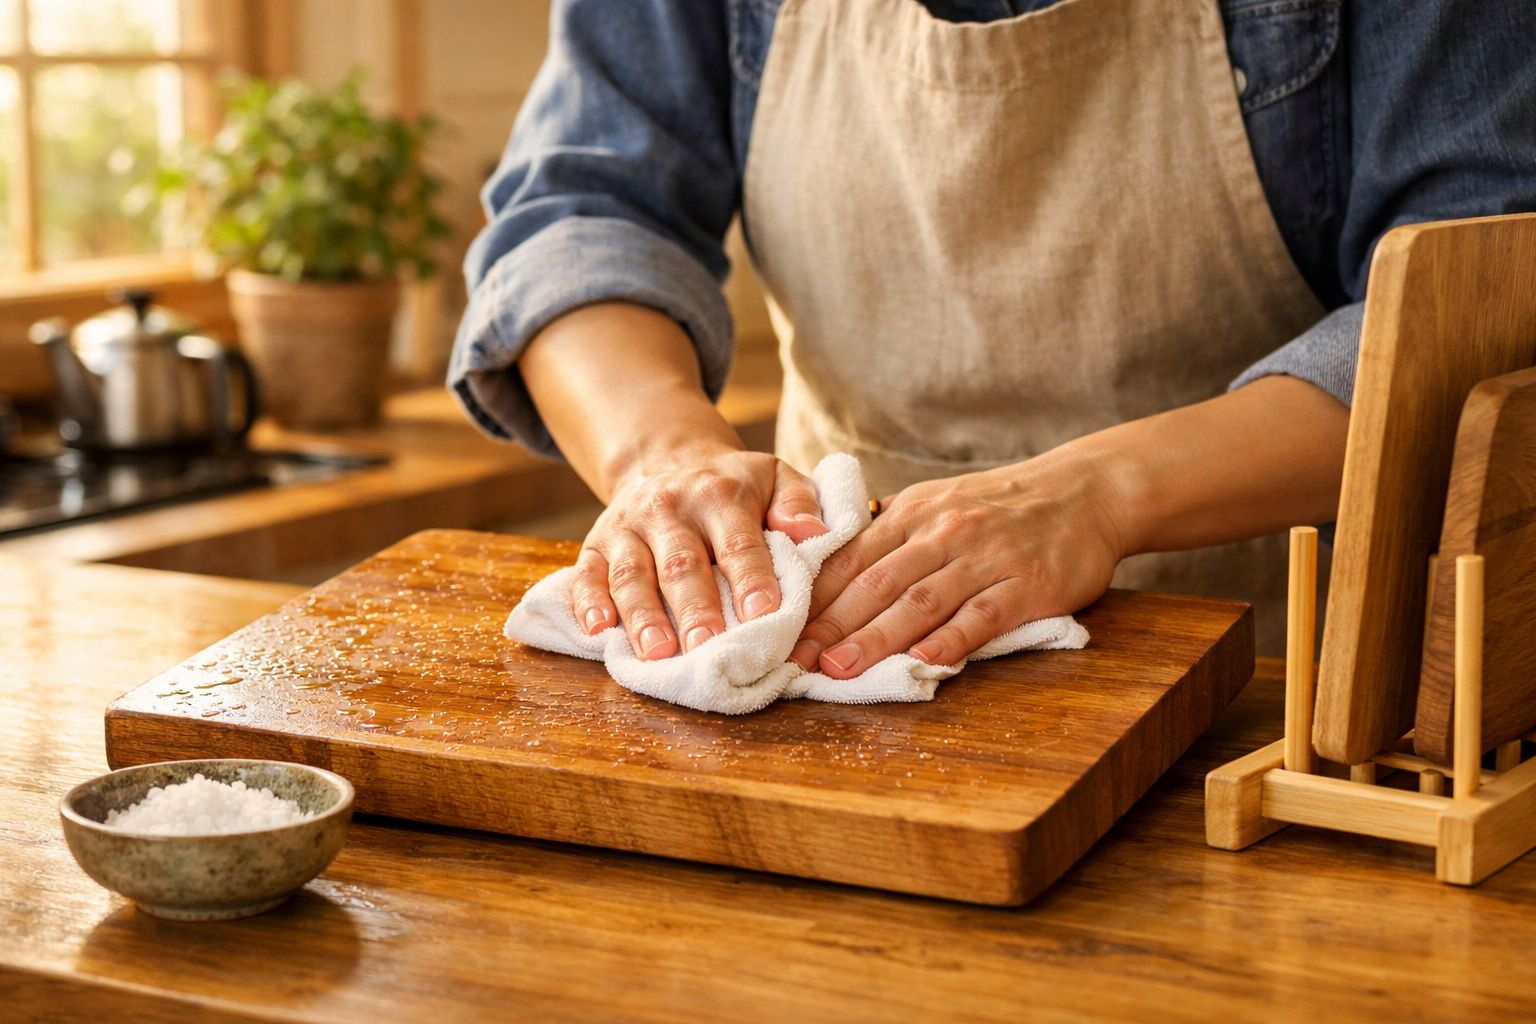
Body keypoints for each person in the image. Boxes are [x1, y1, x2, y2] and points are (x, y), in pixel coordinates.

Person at [449, 0, 1536, 674]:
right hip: (839, 664)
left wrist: (1101, 495)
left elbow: (1484, 291)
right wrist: (665, 458)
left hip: (1293, 677)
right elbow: (584, 210)